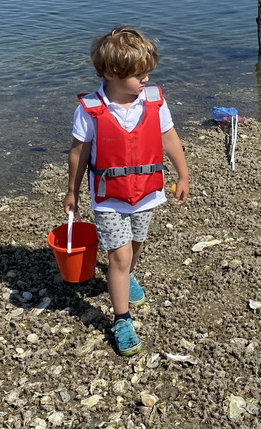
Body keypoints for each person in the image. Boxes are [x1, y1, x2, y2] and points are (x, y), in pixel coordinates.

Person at [64, 27, 190, 355]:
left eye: (148, 72)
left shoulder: (154, 103)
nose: (145, 79)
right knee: (118, 255)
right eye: (138, 75)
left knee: (136, 243)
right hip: (108, 198)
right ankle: (122, 318)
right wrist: (72, 192)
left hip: (147, 192)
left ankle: (128, 274)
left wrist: (184, 174)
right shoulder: (90, 110)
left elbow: (170, 138)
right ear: (110, 73)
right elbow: (78, 152)